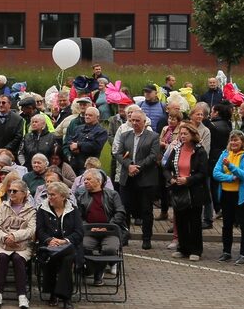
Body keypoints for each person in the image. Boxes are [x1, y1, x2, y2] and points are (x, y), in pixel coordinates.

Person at [112, 109, 159, 250]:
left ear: (144, 122)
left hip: (145, 179)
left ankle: (146, 238)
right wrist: (129, 166)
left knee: (146, 210)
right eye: (132, 120)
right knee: (124, 209)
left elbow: (153, 155)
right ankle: (125, 236)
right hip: (127, 178)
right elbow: (118, 153)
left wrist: (137, 167)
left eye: (138, 120)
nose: (134, 123)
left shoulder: (153, 136)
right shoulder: (125, 135)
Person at [164, 122, 210, 260]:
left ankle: (196, 250)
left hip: (194, 191)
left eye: (185, 134)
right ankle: (182, 248)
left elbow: (203, 173)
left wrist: (188, 180)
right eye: (181, 134)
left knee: (194, 221)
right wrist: (171, 178)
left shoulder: (199, 151)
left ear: (192, 135)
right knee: (181, 220)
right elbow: (166, 168)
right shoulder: (176, 149)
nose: (182, 136)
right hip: (179, 190)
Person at [0, 179, 36, 309]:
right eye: (10, 190)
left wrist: (15, 236)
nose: (11, 193)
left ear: (24, 194)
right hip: (2, 244)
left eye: (15, 191)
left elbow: (31, 230)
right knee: (2, 257)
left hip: (22, 245)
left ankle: (22, 295)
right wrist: (5, 237)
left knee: (17, 259)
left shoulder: (31, 210)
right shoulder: (3, 207)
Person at [36, 182, 82, 309]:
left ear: (63, 196)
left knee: (68, 257)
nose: (49, 197)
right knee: (59, 258)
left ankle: (61, 296)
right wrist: (50, 240)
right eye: (48, 194)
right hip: (48, 247)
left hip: (68, 246)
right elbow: (39, 230)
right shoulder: (42, 209)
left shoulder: (73, 210)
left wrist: (65, 241)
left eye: (52, 195)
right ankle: (65, 299)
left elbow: (79, 232)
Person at [212, 131, 244, 263]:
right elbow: (216, 173)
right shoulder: (225, 154)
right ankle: (226, 252)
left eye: (236, 140)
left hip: (242, 196)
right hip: (226, 194)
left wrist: (230, 166)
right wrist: (231, 178)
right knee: (227, 225)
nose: (233, 143)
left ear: (242, 142)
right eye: (231, 140)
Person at [75, 168, 126, 283]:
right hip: (90, 231)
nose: (85, 182)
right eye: (84, 180)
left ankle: (99, 271)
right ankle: (90, 269)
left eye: (89, 179)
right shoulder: (81, 196)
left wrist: (109, 227)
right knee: (82, 246)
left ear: (98, 181)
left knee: (110, 248)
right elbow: (79, 217)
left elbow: (120, 212)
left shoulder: (112, 194)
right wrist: (89, 227)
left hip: (110, 232)